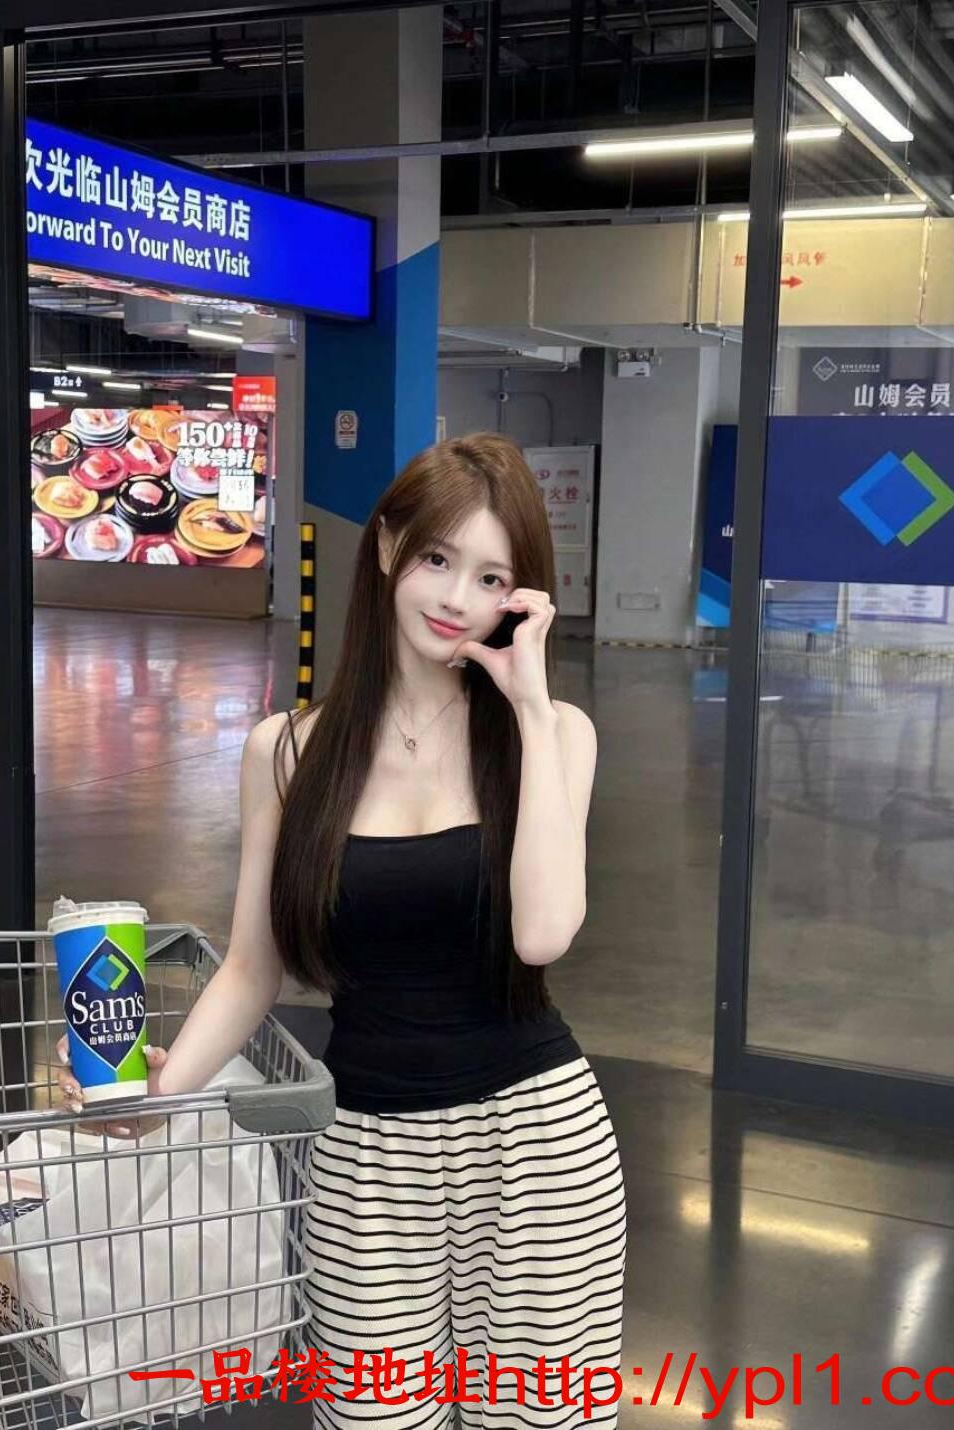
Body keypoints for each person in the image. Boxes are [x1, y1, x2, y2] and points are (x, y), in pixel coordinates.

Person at [57, 432, 626, 1427]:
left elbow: (543, 934)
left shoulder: (553, 736)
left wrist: (532, 708)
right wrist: (157, 1098)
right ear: (389, 546)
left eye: (492, 577)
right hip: (363, 1156)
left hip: (538, 1150)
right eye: (438, 557)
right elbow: (253, 965)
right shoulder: (285, 752)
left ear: (521, 599)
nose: (456, 598)